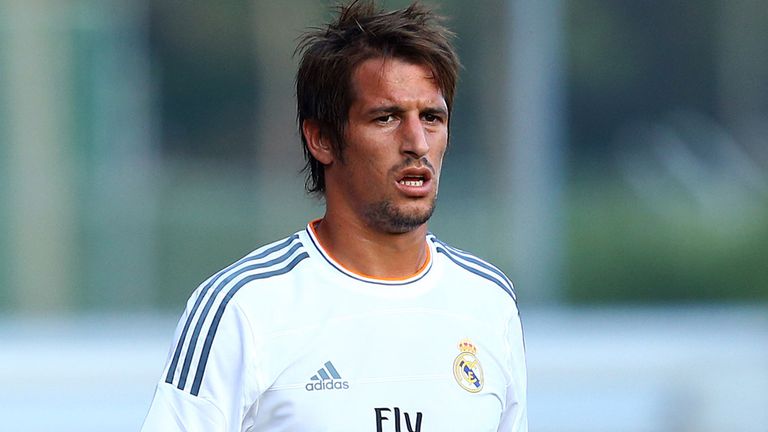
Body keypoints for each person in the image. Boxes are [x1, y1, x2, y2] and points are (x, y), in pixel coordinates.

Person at [141, 1, 527, 431]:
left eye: (432, 117)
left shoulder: (488, 301)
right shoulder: (243, 308)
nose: (417, 142)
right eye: (386, 117)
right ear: (321, 138)